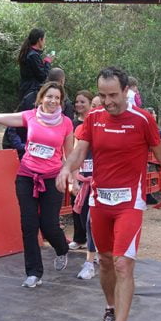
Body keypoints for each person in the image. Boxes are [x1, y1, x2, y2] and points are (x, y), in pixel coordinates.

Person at [56, 67, 161, 321]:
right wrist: (67, 167)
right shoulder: (93, 118)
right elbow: (80, 150)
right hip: (100, 202)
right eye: (102, 95)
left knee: (122, 264)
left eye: (113, 95)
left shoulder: (143, 119)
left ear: (126, 90)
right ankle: (110, 308)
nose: (107, 101)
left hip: (130, 202)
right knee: (104, 262)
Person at [0, 81, 73, 288]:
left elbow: (70, 155)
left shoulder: (66, 123)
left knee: (49, 224)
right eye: (49, 96)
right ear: (41, 98)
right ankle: (34, 273)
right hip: (26, 176)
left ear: (61, 101)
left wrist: (70, 176)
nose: (53, 101)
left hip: (51, 179)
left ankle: (62, 249)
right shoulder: (29, 117)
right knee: (29, 225)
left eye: (57, 98)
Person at [72, 90, 98, 279]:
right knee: (83, 218)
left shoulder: (111, 129)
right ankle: (95, 252)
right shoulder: (81, 130)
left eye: (99, 106)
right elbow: (74, 155)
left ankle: (90, 261)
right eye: (95, 106)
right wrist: (73, 178)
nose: (96, 109)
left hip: (103, 184)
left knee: (91, 220)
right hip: (84, 181)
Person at [18, 28, 53, 100]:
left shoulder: (28, 52)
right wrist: (48, 62)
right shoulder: (33, 55)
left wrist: (42, 63)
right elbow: (43, 76)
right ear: (40, 40)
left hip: (25, 90)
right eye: (44, 39)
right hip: (31, 92)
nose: (44, 42)